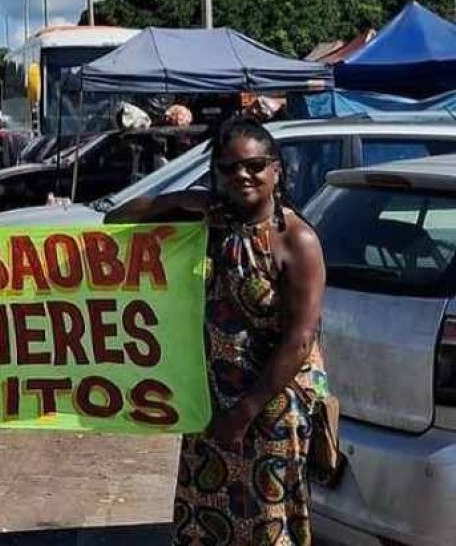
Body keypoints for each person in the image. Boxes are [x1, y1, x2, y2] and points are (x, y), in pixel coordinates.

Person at [106, 118, 327, 546]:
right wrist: (181, 200)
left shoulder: (295, 241)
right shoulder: (209, 226)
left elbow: (299, 339)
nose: (241, 175)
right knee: (202, 523)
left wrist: (244, 413)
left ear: (276, 170)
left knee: (265, 525)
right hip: (208, 405)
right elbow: (117, 219)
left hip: (269, 410)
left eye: (254, 165)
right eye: (228, 168)